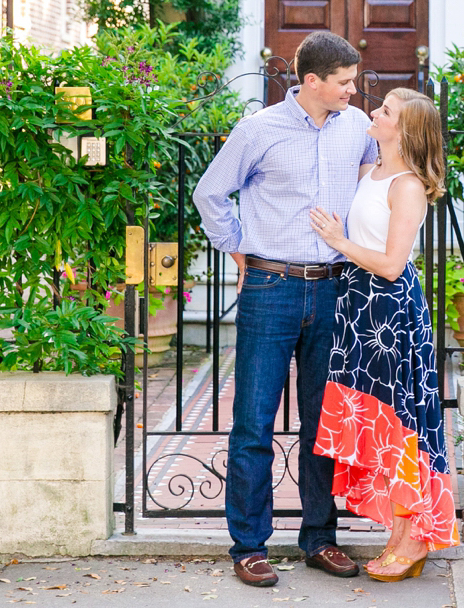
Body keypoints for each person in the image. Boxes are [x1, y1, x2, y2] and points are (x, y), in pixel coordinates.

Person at [192, 31, 376, 589]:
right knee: (253, 421)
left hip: (333, 290)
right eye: (344, 82)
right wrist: (238, 245)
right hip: (270, 288)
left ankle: (319, 539)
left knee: (323, 423)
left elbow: (379, 182)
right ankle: (249, 546)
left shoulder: (359, 130)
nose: (353, 90)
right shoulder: (259, 130)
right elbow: (209, 193)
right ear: (312, 80)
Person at [307, 87, 458, 582]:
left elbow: (393, 265)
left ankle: (414, 536)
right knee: (383, 426)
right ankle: (399, 533)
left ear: (406, 129)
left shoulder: (408, 186)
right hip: (357, 306)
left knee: (401, 426)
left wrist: (338, 241)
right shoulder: (371, 172)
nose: (375, 111)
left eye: (386, 111)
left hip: (388, 310)